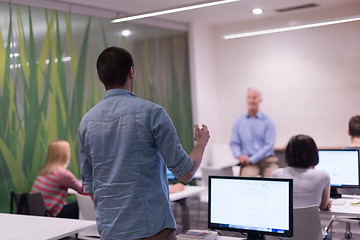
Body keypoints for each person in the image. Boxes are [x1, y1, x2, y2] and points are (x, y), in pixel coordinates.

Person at [78, 47, 210, 240]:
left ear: (100, 78)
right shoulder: (152, 113)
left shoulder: (86, 122)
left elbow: (89, 186)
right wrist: (200, 144)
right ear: (132, 72)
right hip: (152, 230)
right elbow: (186, 173)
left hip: (110, 232)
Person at [272, 135, 331, 211]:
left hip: (284, 222)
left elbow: (276, 204)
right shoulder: (323, 176)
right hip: (311, 223)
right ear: (314, 154)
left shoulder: (277, 174)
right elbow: (323, 206)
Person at [229, 88, 279, 177]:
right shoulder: (239, 122)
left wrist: (252, 159)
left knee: (275, 180)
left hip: (268, 161)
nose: (251, 100)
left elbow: (269, 145)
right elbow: (234, 143)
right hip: (248, 163)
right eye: (249, 97)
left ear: (260, 100)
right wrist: (239, 155)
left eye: (254, 97)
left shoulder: (268, 121)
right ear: (246, 99)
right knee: (245, 181)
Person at [31, 140, 83, 218]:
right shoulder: (62, 174)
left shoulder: (45, 171)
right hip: (51, 216)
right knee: (80, 204)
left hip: (38, 213)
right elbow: (83, 190)